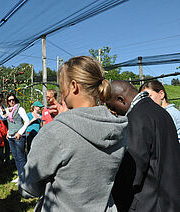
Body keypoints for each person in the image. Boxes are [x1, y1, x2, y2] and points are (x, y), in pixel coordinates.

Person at [19, 56, 128, 211]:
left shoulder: (56, 132)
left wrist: (64, 121)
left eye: (61, 86)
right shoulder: (119, 128)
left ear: (74, 86)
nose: (61, 93)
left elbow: (27, 186)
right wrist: (67, 117)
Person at [106, 80, 180, 212]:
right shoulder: (161, 112)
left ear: (121, 99)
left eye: (113, 107)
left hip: (150, 202)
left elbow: (133, 171)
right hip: (169, 199)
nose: (114, 112)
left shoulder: (137, 118)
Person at [6, 93, 30, 181]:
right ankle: (20, 175)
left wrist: (20, 132)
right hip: (11, 136)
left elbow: (27, 121)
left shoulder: (20, 109)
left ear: (15, 100)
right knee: (15, 157)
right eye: (9, 100)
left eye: (13, 100)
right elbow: (8, 122)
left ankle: (24, 177)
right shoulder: (9, 110)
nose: (11, 102)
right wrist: (8, 132)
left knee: (21, 157)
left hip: (18, 136)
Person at [0, 93, 10, 165]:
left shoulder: (3, 107)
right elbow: (0, 117)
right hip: (1, 126)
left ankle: (7, 159)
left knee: (7, 142)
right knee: (1, 142)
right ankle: (1, 160)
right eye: (4, 98)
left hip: (6, 125)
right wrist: (6, 116)